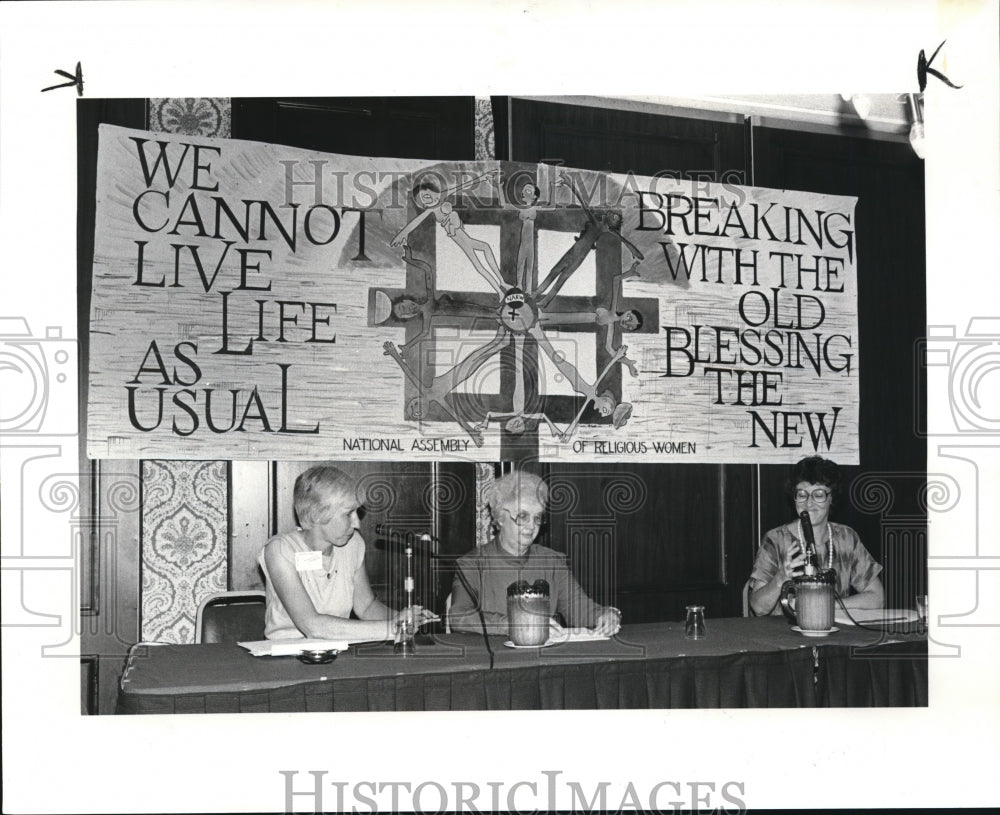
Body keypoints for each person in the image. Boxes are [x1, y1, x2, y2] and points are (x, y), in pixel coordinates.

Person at [259, 465, 437, 639]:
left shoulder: (353, 544)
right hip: (287, 659)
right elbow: (312, 626)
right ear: (317, 514)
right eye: (348, 514)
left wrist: (404, 619)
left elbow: (366, 607)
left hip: (338, 652)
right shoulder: (280, 550)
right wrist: (392, 628)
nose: (357, 523)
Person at [449, 471, 622, 636]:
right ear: (500, 518)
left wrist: (606, 615)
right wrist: (515, 624)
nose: (531, 526)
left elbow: (578, 608)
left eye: (537, 517)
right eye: (522, 516)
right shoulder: (471, 564)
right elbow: (459, 617)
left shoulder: (552, 562)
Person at [748, 455, 885, 616]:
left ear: (831, 498)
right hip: (782, 636)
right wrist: (780, 578)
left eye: (818, 495)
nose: (809, 503)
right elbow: (758, 608)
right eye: (802, 494)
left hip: (834, 635)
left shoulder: (847, 537)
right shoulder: (775, 539)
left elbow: (877, 598)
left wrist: (826, 605)